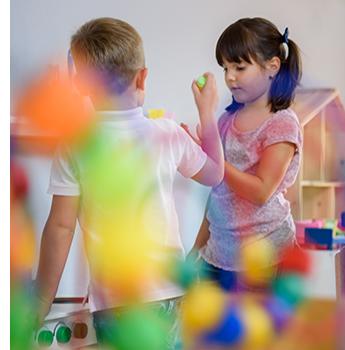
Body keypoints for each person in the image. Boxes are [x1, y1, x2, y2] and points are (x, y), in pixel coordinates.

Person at [34, 17, 224, 348]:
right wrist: (207, 113)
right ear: (142, 77)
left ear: (79, 85)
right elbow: (215, 174)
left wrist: (41, 300)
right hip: (169, 294)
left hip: (114, 301)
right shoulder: (166, 133)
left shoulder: (77, 143)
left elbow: (60, 227)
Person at [187, 17, 303, 291]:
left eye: (239, 67)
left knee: (258, 333)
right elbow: (217, 192)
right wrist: (197, 246)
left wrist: (214, 161)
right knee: (212, 333)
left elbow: (261, 190)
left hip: (266, 258)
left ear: (272, 67)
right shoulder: (227, 120)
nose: (229, 77)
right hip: (218, 255)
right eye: (225, 67)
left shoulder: (282, 123)